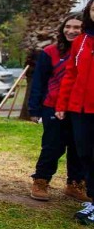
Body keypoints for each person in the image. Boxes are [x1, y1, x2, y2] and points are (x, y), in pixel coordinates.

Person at [28, 13, 87, 201]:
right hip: (53, 107)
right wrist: (34, 109)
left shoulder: (88, 51)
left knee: (79, 148)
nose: (71, 31)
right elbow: (38, 82)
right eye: (67, 27)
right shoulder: (50, 52)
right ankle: (41, 181)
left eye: (77, 27)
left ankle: (75, 184)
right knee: (52, 147)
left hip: (80, 109)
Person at [56, 0, 94, 225]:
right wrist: (62, 104)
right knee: (85, 154)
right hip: (80, 110)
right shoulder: (81, 40)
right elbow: (71, 74)